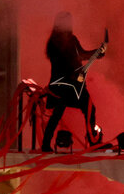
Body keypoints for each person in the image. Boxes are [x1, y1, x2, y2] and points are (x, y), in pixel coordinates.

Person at [41, 11, 106, 152]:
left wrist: (97, 53)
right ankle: (46, 144)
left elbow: (81, 54)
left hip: (75, 86)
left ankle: (93, 141)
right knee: (57, 113)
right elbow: (60, 63)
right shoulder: (54, 44)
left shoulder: (72, 39)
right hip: (61, 85)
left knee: (89, 108)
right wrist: (73, 73)